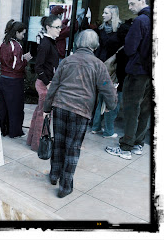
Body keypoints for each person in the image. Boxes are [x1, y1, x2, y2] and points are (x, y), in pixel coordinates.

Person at [43, 29, 117, 198]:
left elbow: (54, 86)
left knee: (59, 143)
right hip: (81, 111)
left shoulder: (67, 61)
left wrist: (47, 108)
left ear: (77, 43)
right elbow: (107, 88)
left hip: (61, 106)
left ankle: (54, 175)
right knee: (72, 148)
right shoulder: (99, 65)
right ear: (95, 45)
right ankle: (65, 186)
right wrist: (112, 105)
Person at [105, 0, 152, 160]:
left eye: (132, 3)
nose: (130, 7)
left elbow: (130, 47)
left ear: (142, 1)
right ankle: (138, 144)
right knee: (145, 110)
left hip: (138, 70)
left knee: (132, 109)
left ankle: (125, 148)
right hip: (150, 73)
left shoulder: (140, 20)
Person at [91, 5, 126, 138]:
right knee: (103, 96)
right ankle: (99, 128)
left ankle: (100, 127)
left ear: (113, 14)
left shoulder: (121, 30)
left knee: (108, 97)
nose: (103, 15)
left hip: (114, 69)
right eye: (103, 12)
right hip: (101, 66)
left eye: (106, 13)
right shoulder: (101, 30)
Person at [26, 15, 61, 150]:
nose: (59, 30)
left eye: (60, 27)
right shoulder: (46, 43)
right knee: (43, 115)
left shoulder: (50, 42)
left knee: (40, 113)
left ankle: (33, 141)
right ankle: (38, 145)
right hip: (44, 83)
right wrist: (47, 83)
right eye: (57, 27)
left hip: (46, 82)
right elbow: (38, 66)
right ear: (48, 27)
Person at [0, 19, 32, 138]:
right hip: (14, 81)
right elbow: (17, 66)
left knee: (3, 107)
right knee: (15, 108)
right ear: (17, 32)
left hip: (4, 78)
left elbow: (8, 62)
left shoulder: (4, 43)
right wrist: (26, 59)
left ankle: (3, 129)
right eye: (22, 33)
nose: (23, 36)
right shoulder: (16, 45)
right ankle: (14, 131)